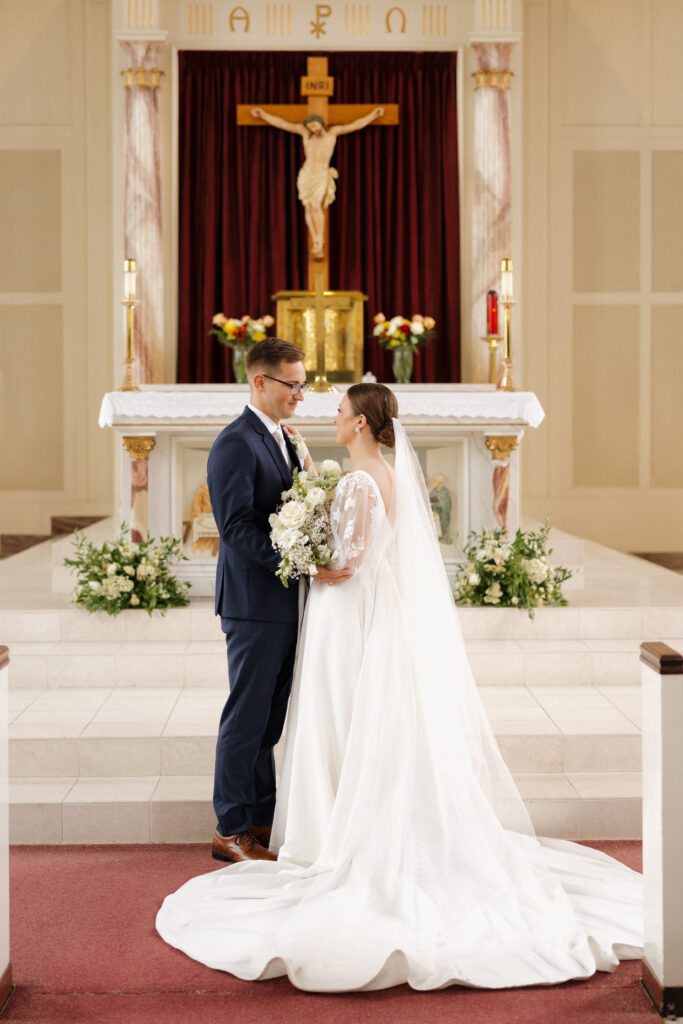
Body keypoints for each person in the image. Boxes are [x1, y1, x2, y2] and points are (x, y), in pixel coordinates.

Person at [158, 382, 642, 992]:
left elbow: (350, 557)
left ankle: (331, 830)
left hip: (346, 605)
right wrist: (311, 498)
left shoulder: (361, 480)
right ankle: (321, 820)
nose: (327, 414)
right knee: (351, 716)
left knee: (338, 715)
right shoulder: (377, 472)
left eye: (338, 411)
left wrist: (304, 538)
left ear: (360, 423)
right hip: (358, 607)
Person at [205, 337, 350, 866]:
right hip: (252, 603)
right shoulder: (235, 443)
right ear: (261, 382)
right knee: (246, 717)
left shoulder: (284, 438)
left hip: (286, 602)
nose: (302, 395)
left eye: (305, 384)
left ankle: (261, 815)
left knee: (270, 720)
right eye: (293, 385)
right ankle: (229, 828)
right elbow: (237, 529)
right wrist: (308, 564)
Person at [251, 106, 384, 258]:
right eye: (310, 127)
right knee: (308, 208)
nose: (313, 129)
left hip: (320, 175)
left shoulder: (332, 133)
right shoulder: (306, 135)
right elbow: (282, 124)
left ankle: (320, 239)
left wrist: (373, 115)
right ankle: (315, 239)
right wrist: (263, 115)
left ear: (320, 123)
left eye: (314, 125)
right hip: (306, 175)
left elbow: (355, 125)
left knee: (315, 205)